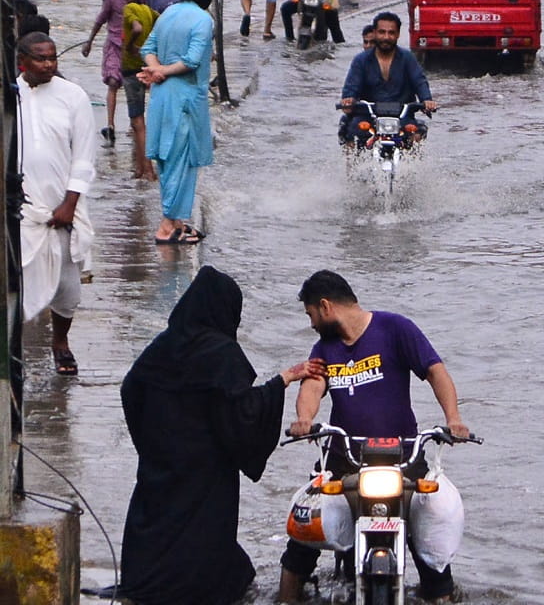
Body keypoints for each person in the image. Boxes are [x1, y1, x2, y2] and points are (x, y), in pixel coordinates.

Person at [120, 268, 325, 605]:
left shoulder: (162, 346)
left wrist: (151, 441)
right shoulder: (221, 354)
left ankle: (144, 586)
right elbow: (243, 412)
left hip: (161, 464)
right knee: (203, 536)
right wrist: (282, 381)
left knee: (156, 525)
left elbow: (131, 389)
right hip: (205, 471)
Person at [280, 270, 472, 604]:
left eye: (311, 315)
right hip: (344, 459)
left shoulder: (395, 328)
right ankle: (285, 598)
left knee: (431, 555)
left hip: (404, 457)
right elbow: (312, 385)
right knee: (301, 541)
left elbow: (435, 371)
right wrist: (304, 419)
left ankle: (442, 597)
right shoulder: (324, 347)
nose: (311, 324)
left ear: (325, 307)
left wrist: (453, 420)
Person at [16, 32, 95, 376]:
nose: (49, 64)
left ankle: (60, 342)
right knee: (15, 282)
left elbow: (84, 157)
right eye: (41, 59)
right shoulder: (10, 96)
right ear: (22, 61)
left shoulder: (72, 96)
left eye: (53, 58)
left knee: (67, 285)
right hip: (19, 209)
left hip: (62, 208)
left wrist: (70, 203)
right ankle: (13, 350)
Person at [140, 0, 217, 247]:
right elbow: (193, 60)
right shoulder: (203, 20)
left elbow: (147, 48)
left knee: (166, 158)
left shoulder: (169, 13)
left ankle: (176, 221)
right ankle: (167, 225)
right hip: (185, 97)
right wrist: (161, 70)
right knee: (181, 160)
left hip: (161, 95)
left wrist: (155, 68)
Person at [338, 13, 436, 144]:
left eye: (391, 33)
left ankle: (413, 164)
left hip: (402, 116)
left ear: (398, 34)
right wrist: (348, 100)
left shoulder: (408, 58)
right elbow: (351, 87)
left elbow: (419, 81)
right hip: (368, 116)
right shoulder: (361, 60)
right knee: (351, 134)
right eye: (382, 32)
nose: (386, 37)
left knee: (415, 135)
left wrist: (426, 100)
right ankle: (352, 164)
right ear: (375, 33)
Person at [82, 0, 142, 144]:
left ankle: (135, 125)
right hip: (115, 47)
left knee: (136, 86)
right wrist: (89, 42)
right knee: (113, 82)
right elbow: (100, 20)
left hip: (135, 48)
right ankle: (111, 125)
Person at [121, 0, 159, 181]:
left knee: (137, 122)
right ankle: (141, 168)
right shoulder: (148, 10)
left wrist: (129, 47)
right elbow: (162, 23)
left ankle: (147, 169)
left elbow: (136, 27)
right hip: (149, 66)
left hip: (131, 70)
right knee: (148, 119)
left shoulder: (129, 9)